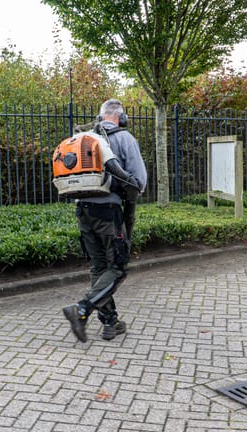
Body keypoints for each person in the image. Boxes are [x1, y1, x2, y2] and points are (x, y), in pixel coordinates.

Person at [62, 99, 148, 342]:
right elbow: (138, 182)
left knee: (99, 268)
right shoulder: (124, 138)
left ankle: (110, 323)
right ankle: (82, 309)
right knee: (118, 268)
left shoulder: (84, 139)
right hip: (108, 213)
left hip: (83, 211)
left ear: (100, 117)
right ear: (121, 118)